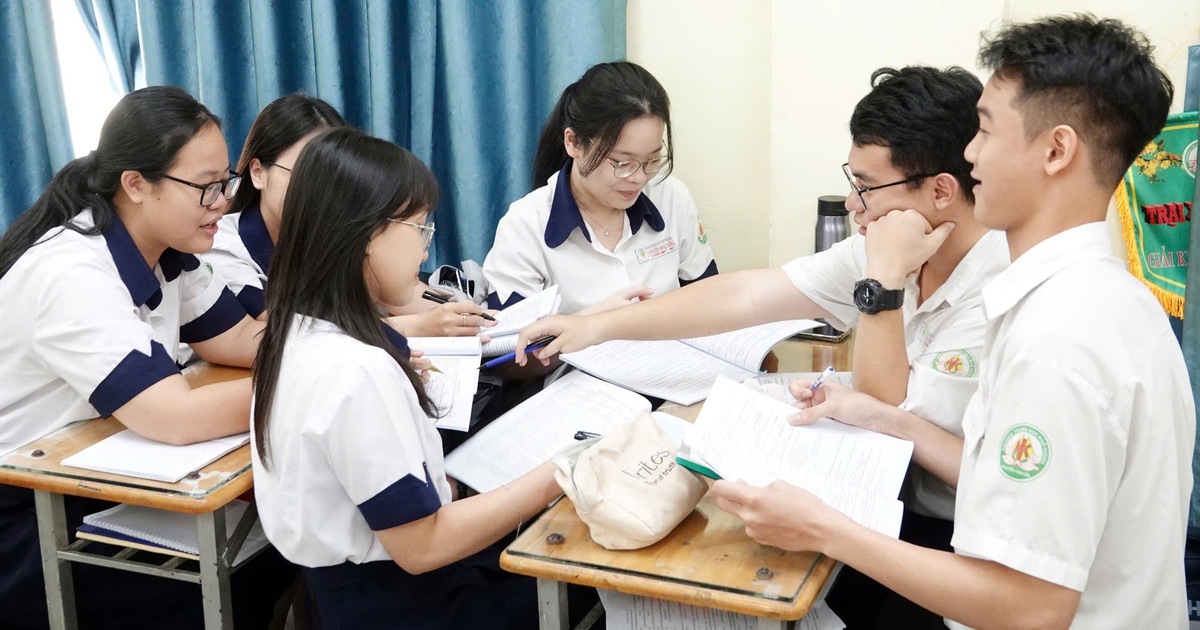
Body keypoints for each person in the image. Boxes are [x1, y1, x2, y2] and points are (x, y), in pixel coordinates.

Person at [712, 15, 1192, 628]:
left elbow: (1032, 607)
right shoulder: (1100, 298)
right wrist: (882, 416)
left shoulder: (1060, 339)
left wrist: (823, 528)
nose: (968, 155)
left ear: (1057, 149)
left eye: (986, 131)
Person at [516, 66, 1003, 625]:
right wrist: (596, 327)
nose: (851, 204)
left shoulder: (996, 288)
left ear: (941, 190)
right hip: (886, 496)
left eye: (866, 188)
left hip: (954, 536)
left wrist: (884, 281)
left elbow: (881, 404)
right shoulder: (893, 239)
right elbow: (748, 295)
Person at [250, 126, 564, 628]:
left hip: (349, 591)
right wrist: (562, 470)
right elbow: (423, 546)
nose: (424, 250)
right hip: (408, 602)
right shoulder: (357, 370)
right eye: (419, 227)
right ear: (366, 234)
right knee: (582, 583)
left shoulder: (294, 331)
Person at [0, 86, 290, 628]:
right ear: (135, 184)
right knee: (243, 567)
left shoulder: (169, 251)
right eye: (205, 188)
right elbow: (175, 417)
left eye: (223, 183)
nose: (222, 202)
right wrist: (317, 383)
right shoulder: (71, 271)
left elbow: (245, 341)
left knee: (277, 539)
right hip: (26, 514)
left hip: (99, 472)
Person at [204, 92, 493, 337]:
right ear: (258, 174)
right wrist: (414, 327)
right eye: (306, 173)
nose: (321, 190)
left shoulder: (338, 236)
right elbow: (284, 330)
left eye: (333, 177)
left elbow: (405, 295)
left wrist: (471, 320)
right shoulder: (224, 246)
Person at [483, 61, 717, 316]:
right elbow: (511, 348)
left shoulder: (671, 196)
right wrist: (593, 322)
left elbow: (708, 298)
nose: (639, 178)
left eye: (652, 160)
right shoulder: (525, 225)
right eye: (622, 163)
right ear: (573, 142)